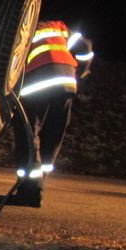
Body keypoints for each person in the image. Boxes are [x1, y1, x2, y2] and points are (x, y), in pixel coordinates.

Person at [14, 19, 94, 206]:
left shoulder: (21, 29)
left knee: (27, 134)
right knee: (53, 134)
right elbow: (86, 46)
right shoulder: (58, 27)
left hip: (37, 84)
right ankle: (38, 185)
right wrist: (82, 72)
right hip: (67, 83)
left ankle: (29, 192)